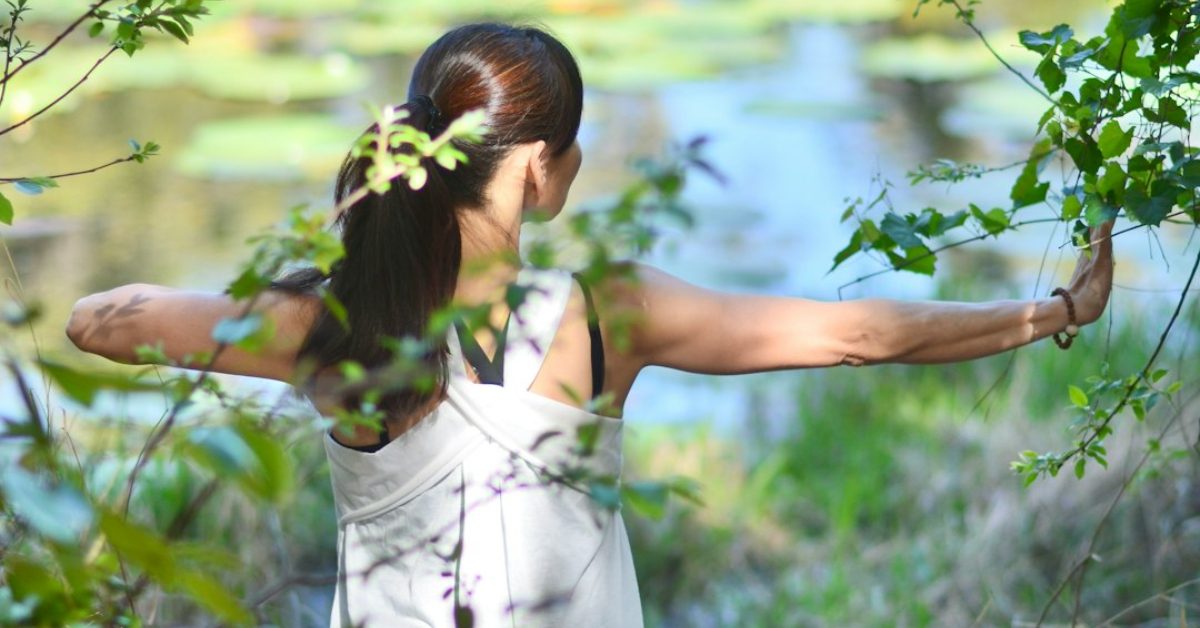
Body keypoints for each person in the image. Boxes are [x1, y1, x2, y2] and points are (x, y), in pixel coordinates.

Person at [66, 22, 1114, 628]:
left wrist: (278, 305)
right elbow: (860, 335)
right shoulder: (606, 312)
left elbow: (101, 324)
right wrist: (1055, 311)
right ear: (537, 167)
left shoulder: (330, 322)